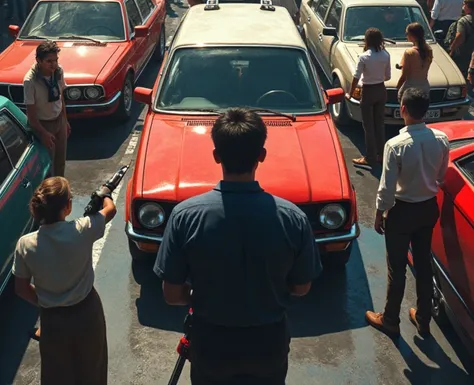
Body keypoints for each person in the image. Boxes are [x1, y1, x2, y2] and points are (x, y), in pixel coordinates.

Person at [154, 108, 320, 385]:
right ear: (261, 155)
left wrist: (198, 295)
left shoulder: (186, 215)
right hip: (269, 342)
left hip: (211, 342)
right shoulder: (293, 218)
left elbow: (172, 294)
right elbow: (301, 287)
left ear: (216, 156)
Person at [13, 176, 116, 385]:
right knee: (92, 370)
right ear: (68, 207)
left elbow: (22, 289)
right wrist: (104, 194)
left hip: (53, 320)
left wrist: (47, 300)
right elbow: (110, 210)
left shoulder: (25, 245)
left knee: (56, 374)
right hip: (87, 313)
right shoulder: (83, 229)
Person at [366, 89, 449, 338]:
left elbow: (387, 186)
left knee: (397, 267)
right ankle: (423, 318)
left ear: (403, 109)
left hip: (402, 212)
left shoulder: (395, 145)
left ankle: (390, 318)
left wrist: (380, 213)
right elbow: (441, 176)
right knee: (423, 264)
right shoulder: (441, 139)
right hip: (428, 208)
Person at [23, 42, 70, 177]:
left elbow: (61, 98)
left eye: (55, 60)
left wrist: (65, 121)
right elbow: (31, 116)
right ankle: (50, 194)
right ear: (38, 60)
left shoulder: (58, 71)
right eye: (49, 61)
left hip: (59, 120)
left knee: (60, 161)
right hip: (43, 124)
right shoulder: (30, 81)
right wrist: (43, 133)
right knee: (48, 165)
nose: (53, 64)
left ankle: (60, 191)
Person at [346, 28, 391, 168]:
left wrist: (350, 92)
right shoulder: (385, 55)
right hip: (381, 89)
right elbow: (388, 76)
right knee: (379, 124)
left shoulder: (364, 57)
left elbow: (356, 76)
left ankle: (369, 157)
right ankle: (381, 154)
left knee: (368, 126)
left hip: (368, 91)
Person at [396, 23, 433, 101]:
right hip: (424, 87)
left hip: (410, 89)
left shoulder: (409, 52)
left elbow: (404, 74)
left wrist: (398, 87)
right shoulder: (429, 51)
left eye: (407, 33)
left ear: (411, 35)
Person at [449, 0, 474, 79]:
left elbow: (460, 37)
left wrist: (451, 50)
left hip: (465, 57)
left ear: (467, 5)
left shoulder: (463, 21)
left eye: (464, 4)